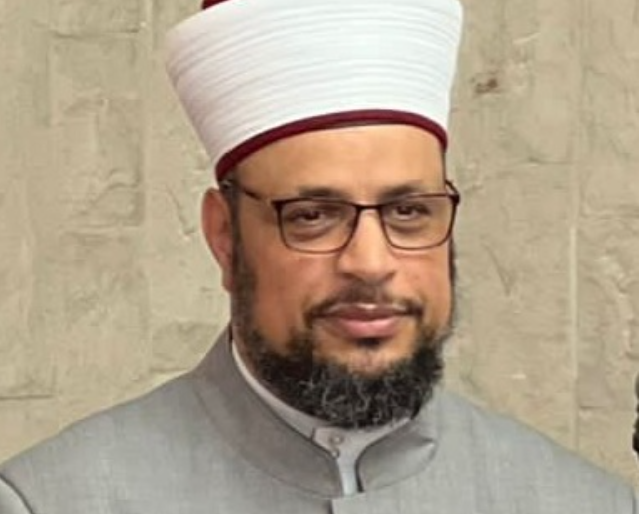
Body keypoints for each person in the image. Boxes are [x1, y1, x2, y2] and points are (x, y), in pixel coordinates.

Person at [0, 0, 636, 512]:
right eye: (312, 216)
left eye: (409, 211)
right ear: (224, 236)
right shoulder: (52, 500)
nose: (371, 262)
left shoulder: (588, 504)